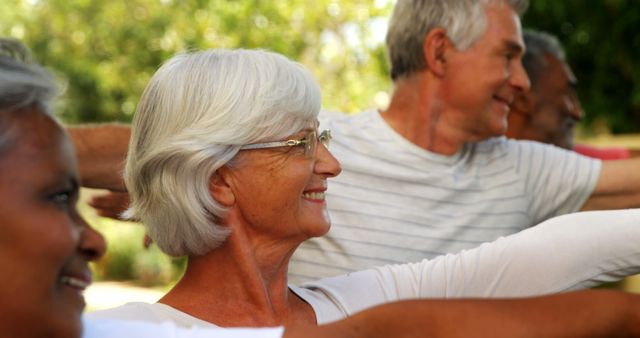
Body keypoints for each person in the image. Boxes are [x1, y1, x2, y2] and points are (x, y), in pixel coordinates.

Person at [4, 38, 640, 338]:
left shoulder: (351, 299)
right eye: (302, 144)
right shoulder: (122, 332)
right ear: (220, 179)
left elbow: (551, 253)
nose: (331, 166)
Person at [285, 0, 640, 283]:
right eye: (507, 56)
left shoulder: (519, 167)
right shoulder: (315, 149)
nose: (522, 82)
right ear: (439, 52)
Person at [506, 29, 632, 160]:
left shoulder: (583, 163)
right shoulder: (489, 171)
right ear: (523, 100)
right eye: (567, 94)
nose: (578, 113)